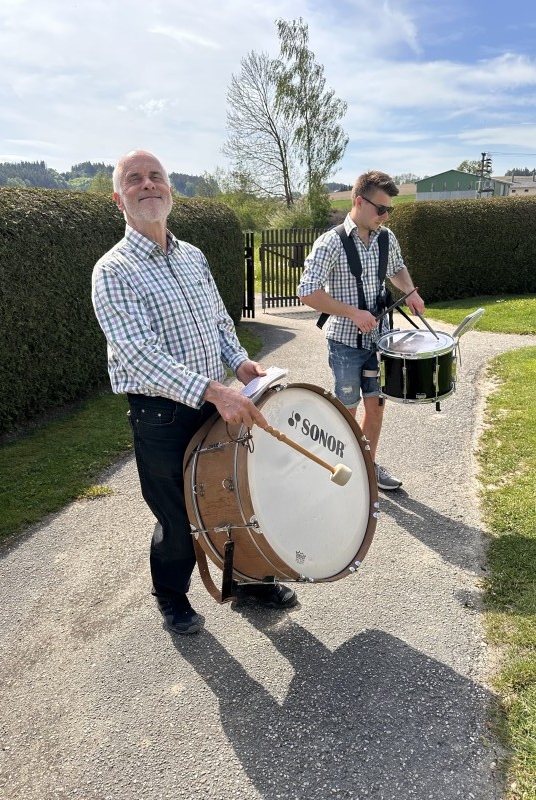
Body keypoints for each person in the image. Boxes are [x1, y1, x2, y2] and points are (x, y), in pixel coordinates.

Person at [92, 150, 297, 635]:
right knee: (178, 515)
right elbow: (138, 354)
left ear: (170, 190)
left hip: (214, 401)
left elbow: (219, 321)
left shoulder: (193, 256)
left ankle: (246, 581)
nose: (148, 184)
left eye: (156, 176)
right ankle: (171, 596)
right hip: (162, 414)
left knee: (234, 499)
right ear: (118, 199)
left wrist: (240, 362)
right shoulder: (112, 270)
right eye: (135, 179)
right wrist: (214, 391)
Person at [298, 171, 425, 491]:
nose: (385, 216)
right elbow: (308, 292)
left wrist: (410, 291)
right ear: (358, 201)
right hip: (345, 344)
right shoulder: (330, 242)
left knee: (376, 408)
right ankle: (341, 471)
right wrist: (353, 313)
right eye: (381, 209)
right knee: (347, 411)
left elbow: (396, 268)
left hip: (380, 341)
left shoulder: (386, 238)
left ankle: (368, 468)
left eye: (389, 210)